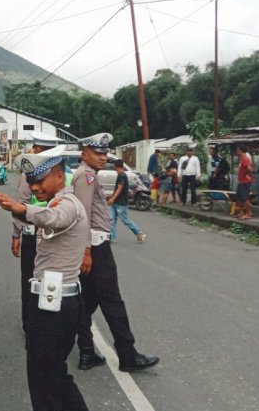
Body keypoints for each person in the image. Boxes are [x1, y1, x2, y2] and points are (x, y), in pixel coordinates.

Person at [0, 148, 114, 411]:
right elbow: (42, 214)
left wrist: (20, 208)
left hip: (54, 307)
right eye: (30, 182)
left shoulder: (67, 204)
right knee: (55, 377)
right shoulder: (54, 201)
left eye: (39, 180)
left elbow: (52, 219)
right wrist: (20, 210)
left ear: (60, 175)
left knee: (43, 383)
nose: (34, 187)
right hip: (50, 302)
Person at [73, 133, 159, 372]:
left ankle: (86, 351)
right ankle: (128, 355)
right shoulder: (87, 177)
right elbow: (83, 216)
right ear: (84, 153)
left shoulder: (87, 175)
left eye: (104, 154)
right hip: (96, 248)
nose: (103, 158)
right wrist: (87, 250)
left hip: (96, 246)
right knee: (113, 302)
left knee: (87, 302)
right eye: (97, 153)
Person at [11, 132, 71, 335]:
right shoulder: (67, 173)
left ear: (38, 150)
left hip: (33, 233)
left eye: (35, 148)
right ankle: (55, 324)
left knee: (30, 280)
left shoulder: (29, 174)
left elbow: (22, 205)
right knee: (57, 280)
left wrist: (15, 235)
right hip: (60, 234)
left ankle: (30, 325)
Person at [108, 159, 146, 243]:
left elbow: (119, 188)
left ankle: (139, 233)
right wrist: (112, 198)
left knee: (125, 220)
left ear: (115, 166)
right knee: (111, 219)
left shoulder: (122, 175)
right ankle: (112, 237)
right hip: (116, 202)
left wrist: (112, 199)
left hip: (120, 202)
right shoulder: (121, 175)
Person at [236, 144, 254, 220]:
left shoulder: (245, 158)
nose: (237, 151)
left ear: (240, 150)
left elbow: (249, 169)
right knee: (239, 198)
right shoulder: (242, 158)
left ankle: (248, 213)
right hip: (241, 181)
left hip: (244, 181)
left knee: (245, 198)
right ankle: (242, 213)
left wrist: (245, 174)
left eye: (237, 150)